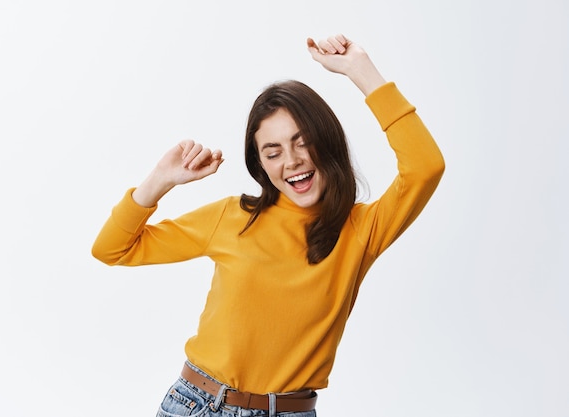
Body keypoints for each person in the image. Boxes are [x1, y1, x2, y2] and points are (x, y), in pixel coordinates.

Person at [92, 33, 445, 417]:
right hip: (194, 403)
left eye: (301, 142)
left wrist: (361, 70)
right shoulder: (233, 217)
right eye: (272, 152)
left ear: (326, 142)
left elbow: (425, 166)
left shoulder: (361, 229)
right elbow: (112, 249)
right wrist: (160, 179)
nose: (290, 161)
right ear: (261, 165)